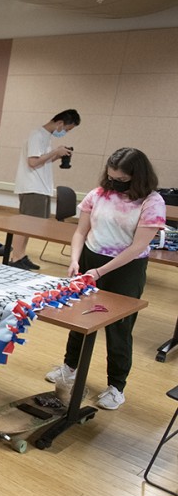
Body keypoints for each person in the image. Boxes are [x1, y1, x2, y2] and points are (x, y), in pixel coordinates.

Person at [45, 148, 166, 410]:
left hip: (126, 268)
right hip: (90, 261)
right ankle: (70, 368)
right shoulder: (98, 194)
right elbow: (80, 232)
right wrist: (75, 259)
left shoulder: (151, 202)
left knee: (119, 328)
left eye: (120, 180)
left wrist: (101, 272)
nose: (114, 183)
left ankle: (116, 386)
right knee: (78, 318)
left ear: (136, 177)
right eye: (111, 177)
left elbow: (137, 246)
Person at [10, 109, 81, 270]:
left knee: (30, 224)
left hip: (40, 186)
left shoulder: (45, 137)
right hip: (32, 186)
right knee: (24, 224)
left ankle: (20, 255)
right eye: (67, 129)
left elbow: (42, 161)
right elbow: (33, 162)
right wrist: (55, 152)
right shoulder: (37, 135)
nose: (65, 132)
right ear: (60, 123)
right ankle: (15, 258)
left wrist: (57, 155)